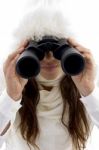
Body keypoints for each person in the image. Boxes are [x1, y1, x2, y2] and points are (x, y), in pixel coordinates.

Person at [0, 7, 99, 150]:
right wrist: (10, 96)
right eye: (38, 51)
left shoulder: (88, 84)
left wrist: (89, 91)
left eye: (58, 50)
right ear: (22, 50)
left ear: (74, 47)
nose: (49, 57)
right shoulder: (7, 85)